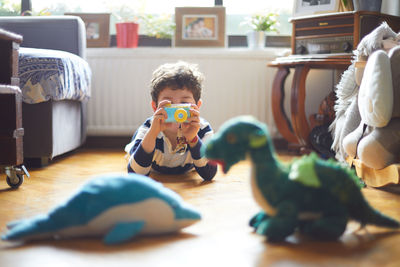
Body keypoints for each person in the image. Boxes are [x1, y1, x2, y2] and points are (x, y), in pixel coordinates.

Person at [124, 61, 217, 181]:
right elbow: (135, 176)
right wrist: (152, 134)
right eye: (169, 104)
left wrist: (193, 139)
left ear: (197, 106)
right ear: (155, 107)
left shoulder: (203, 130)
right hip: (153, 166)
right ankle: (132, 152)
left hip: (188, 167)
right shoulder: (148, 129)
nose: (177, 110)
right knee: (136, 151)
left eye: (184, 103)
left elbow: (209, 174)